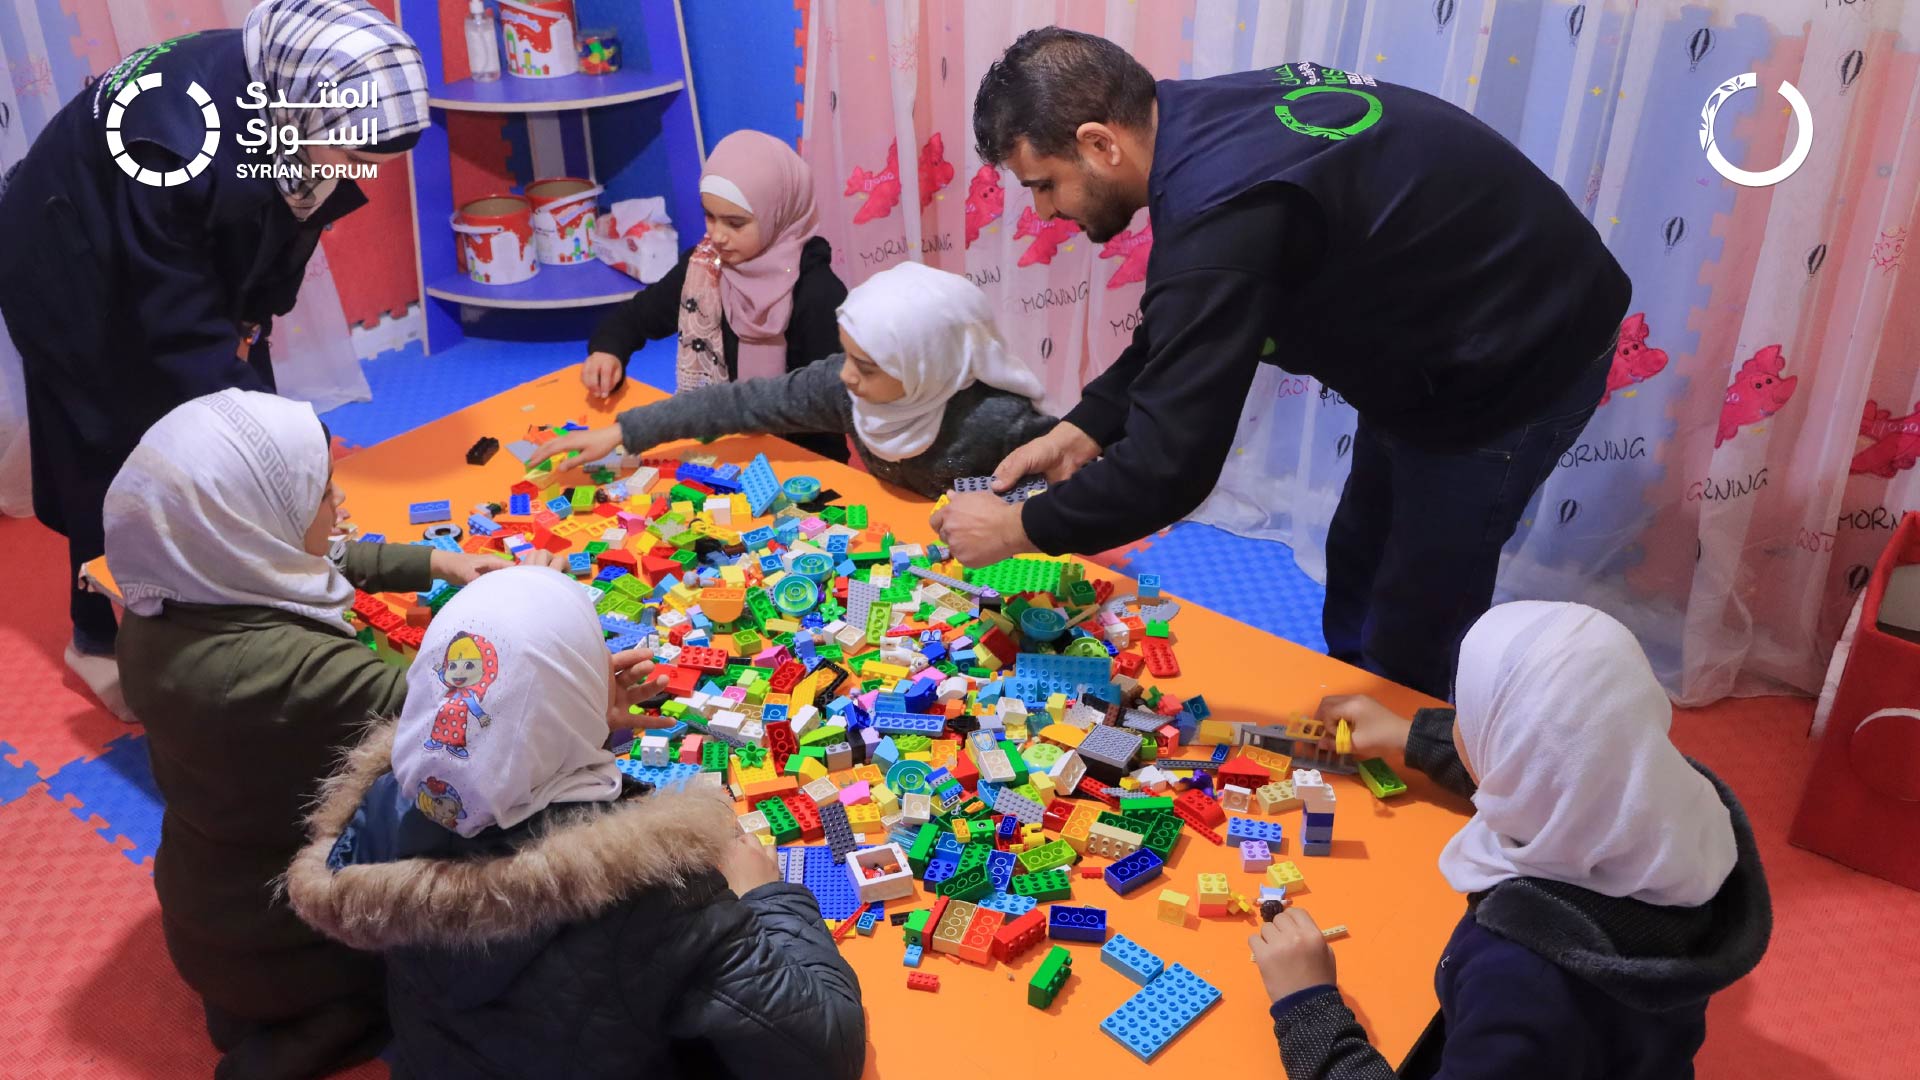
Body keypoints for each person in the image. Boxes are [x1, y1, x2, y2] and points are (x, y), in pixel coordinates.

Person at [933, 29, 1631, 700]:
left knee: (1423, 600)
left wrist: (1017, 530)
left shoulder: (1224, 209)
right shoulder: (1183, 120)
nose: (1043, 209)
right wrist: (1085, 426)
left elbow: (1169, 467)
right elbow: (1191, 325)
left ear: (1099, 143)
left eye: (1044, 183)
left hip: (1522, 347)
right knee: (1362, 549)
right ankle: (1359, 686)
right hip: (1433, 334)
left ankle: (1414, 745)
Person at [0, 0, 428, 720]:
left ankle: (260, 584)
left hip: (161, 246)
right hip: (67, 260)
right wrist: (282, 442)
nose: (366, 174)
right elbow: (171, 329)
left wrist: (254, 322)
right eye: (357, 157)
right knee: (109, 445)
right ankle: (96, 639)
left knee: (246, 429)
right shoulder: (168, 143)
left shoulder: (295, 89)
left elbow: (283, 229)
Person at [284, 566, 868, 1080]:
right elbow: (825, 1049)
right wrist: (767, 895)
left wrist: (577, 717)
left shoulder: (389, 806)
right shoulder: (659, 897)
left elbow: (487, 742)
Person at [106, 389, 538, 1079]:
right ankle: (298, 1040)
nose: (339, 502)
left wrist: (434, 562)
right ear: (251, 523)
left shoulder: (164, 595)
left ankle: (252, 1008)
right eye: (322, 490)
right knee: (466, 957)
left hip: (201, 901)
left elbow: (310, 556)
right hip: (290, 937)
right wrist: (564, 654)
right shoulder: (296, 670)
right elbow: (460, 714)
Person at [1252, 602, 1771, 1079]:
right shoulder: (1684, 820)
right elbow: (1563, 765)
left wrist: (1308, 1008)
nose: (1462, 727)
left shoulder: (1520, 980)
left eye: (1469, 715)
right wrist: (1408, 734)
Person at [534, 262, 1055, 499]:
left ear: (928, 367)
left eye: (867, 368)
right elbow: (739, 404)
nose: (847, 376)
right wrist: (621, 432)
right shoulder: (839, 388)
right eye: (849, 356)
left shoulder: (998, 420)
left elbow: (1070, 486)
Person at [581, 129, 849, 461]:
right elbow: (636, 317)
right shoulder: (704, 267)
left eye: (736, 224)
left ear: (777, 215)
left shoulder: (818, 293)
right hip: (719, 446)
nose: (718, 236)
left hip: (802, 462)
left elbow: (827, 408)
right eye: (710, 217)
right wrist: (607, 350)